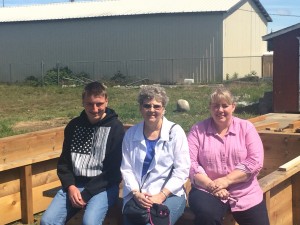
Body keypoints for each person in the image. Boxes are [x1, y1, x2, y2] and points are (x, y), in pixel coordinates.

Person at [41, 81, 125, 225]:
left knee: (89, 222)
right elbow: (64, 163)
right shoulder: (74, 126)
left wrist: (86, 194)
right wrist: (70, 186)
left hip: (104, 186)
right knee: (47, 221)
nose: (95, 109)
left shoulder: (115, 128)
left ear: (106, 101)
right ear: (83, 103)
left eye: (99, 104)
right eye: (89, 104)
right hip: (75, 184)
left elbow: (114, 171)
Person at [187, 87, 269, 225]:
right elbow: (189, 162)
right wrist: (212, 185)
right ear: (210, 108)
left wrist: (226, 181)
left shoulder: (246, 127)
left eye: (225, 106)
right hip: (207, 190)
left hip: (245, 190)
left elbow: (255, 161)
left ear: (233, 107)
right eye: (215, 106)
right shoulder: (197, 130)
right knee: (207, 216)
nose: (220, 110)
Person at [121, 85, 191, 225]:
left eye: (157, 106)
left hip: (169, 195)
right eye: (147, 106)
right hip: (138, 196)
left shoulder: (175, 133)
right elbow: (126, 169)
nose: (151, 110)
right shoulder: (131, 134)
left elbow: (182, 170)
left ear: (164, 109)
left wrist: (161, 195)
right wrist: (136, 194)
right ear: (141, 108)